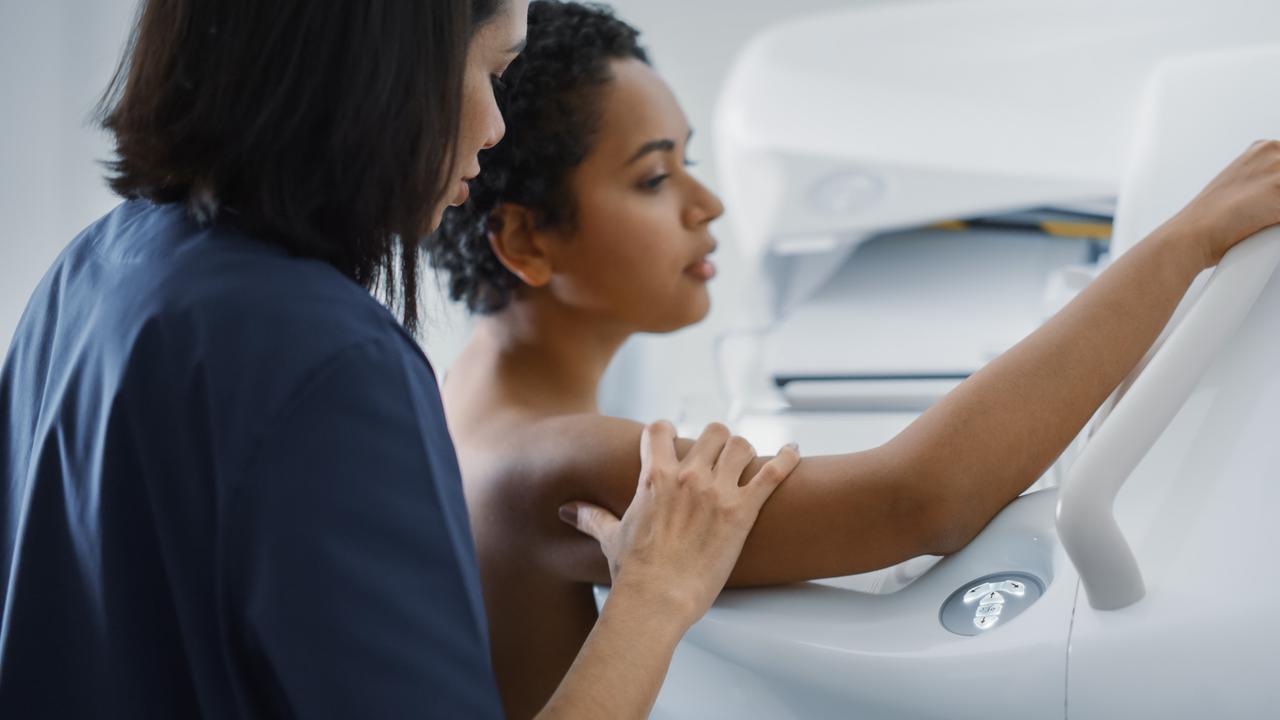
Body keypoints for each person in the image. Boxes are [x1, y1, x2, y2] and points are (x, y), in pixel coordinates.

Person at [426, 1, 1280, 717]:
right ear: (526, 241)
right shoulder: (552, 461)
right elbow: (919, 498)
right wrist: (1187, 237)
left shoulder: (465, 409)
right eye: (655, 179)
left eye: (690, 162)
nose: (709, 204)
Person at [0, 1, 801, 718]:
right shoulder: (329, 365)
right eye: (490, 70)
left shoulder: (91, 271)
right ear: (382, 68)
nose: (494, 127)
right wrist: (655, 596)